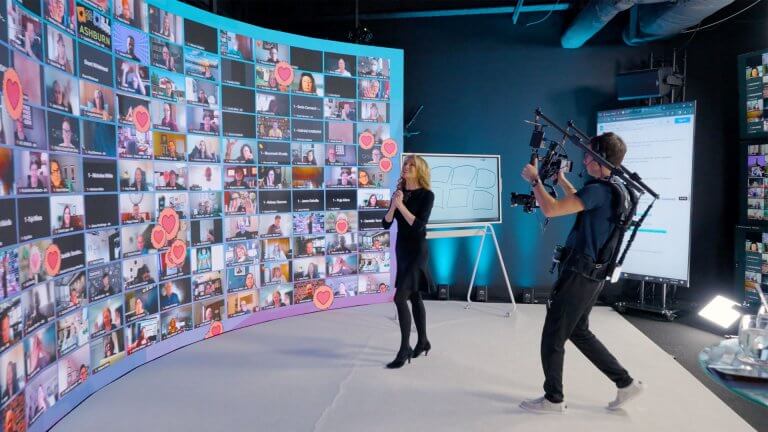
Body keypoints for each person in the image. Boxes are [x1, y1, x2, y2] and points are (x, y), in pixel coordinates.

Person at [518, 132, 643, 413]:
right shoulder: (617, 188)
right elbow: (582, 203)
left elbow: (550, 209)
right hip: (594, 274)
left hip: (578, 273)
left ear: (601, 158)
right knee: (578, 330)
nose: (584, 159)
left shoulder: (598, 190)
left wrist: (535, 181)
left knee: (554, 335)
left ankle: (553, 399)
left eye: (589, 155)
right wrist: (561, 181)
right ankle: (625, 383)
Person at [382, 155, 436, 368]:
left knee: (399, 298)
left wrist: (401, 206)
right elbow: (386, 223)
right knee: (414, 296)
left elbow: (419, 225)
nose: (406, 166)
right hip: (402, 250)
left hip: (417, 252)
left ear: (420, 170)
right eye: (405, 163)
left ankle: (404, 348)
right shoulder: (399, 193)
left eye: (411, 164)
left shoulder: (427, 195)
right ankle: (423, 341)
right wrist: (394, 205)